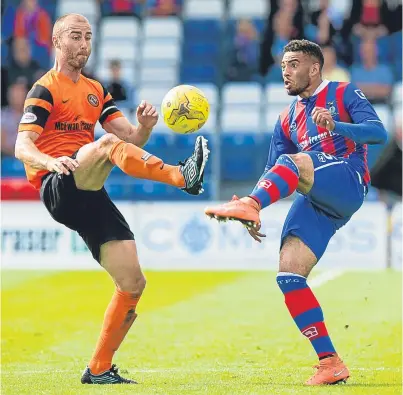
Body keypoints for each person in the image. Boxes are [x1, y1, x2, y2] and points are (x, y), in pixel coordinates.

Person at [15, 13, 209, 385]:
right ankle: (180, 176)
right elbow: (23, 145)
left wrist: (146, 127)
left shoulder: (95, 89)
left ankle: (100, 369)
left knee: (133, 283)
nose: (84, 44)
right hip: (58, 184)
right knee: (103, 145)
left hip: (89, 189)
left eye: (88, 37)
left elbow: (129, 141)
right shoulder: (44, 89)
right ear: (58, 41)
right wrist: (50, 161)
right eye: (76, 36)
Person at [205, 39, 387, 386]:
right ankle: (329, 361)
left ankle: (252, 205)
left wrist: (337, 126)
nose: (285, 71)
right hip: (317, 197)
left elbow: (377, 132)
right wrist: (250, 202)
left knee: (296, 162)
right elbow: (274, 167)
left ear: (314, 68)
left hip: (348, 179)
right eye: (283, 65)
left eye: (292, 64)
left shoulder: (343, 93)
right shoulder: (287, 118)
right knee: (289, 275)